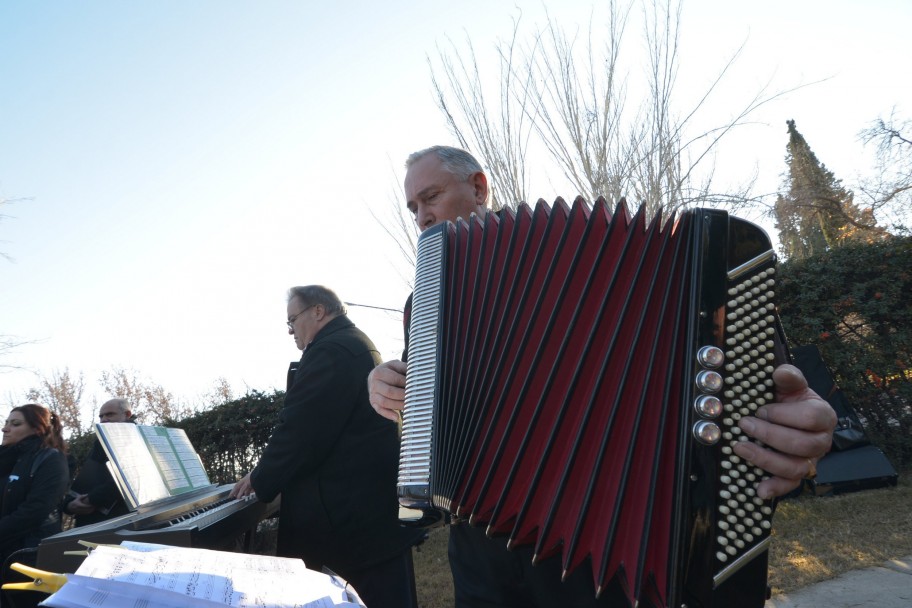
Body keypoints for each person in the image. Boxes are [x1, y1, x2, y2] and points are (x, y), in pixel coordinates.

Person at [367, 145, 840, 607]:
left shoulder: (605, 258)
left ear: (479, 186)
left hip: (614, 539)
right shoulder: (423, 303)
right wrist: (385, 385)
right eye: (413, 208)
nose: (422, 216)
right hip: (480, 548)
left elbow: (767, 392)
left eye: (430, 197)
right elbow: (428, 412)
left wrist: (793, 429)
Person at [230, 285, 424, 608]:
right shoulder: (353, 342)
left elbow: (298, 430)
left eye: (292, 320)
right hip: (372, 525)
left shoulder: (330, 351)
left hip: (353, 533)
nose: (290, 330)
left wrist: (260, 479)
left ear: (318, 311)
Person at [0, 404, 71, 580]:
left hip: (27, 555)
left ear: (37, 428)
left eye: (15, 424)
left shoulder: (51, 459)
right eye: (6, 422)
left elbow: (36, 509)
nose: (5, 428)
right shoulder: (7, 459)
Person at [63, 398, 134, 527]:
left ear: (127, 414)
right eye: (101, 416)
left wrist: (91, 499)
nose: (104, 419)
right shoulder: (100, 443)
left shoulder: (136, 442)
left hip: (119, 522)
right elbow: (87, 478)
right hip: (92, 522)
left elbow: (127, 479)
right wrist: (69, 504)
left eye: (110, 414)